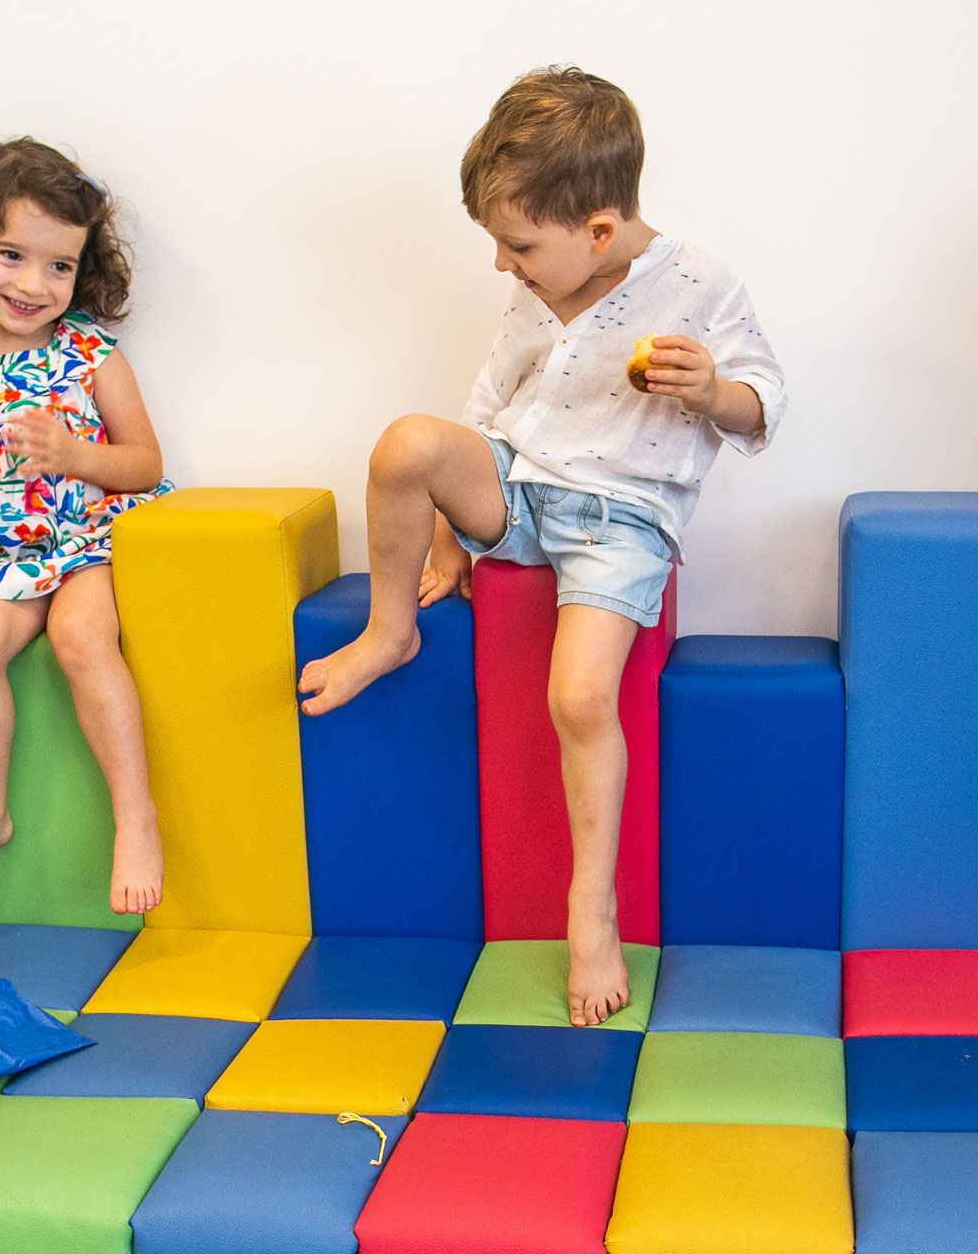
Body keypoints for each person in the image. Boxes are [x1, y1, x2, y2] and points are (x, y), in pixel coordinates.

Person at [298, 67, 787, 1025]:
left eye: (517, 245)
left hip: (624, 517)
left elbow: (764, 406)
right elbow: (482, 420)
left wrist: (710, 389)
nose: (501, 265)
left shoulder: (701, 284)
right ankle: (388, 632)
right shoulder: (532, 293)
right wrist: (448, 542)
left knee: (578, 695)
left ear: (598, 230)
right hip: (522, 490)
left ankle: (590, 908)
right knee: (407, 441)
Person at [0, 137, 172, 916]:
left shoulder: (87, 350)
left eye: (59, 265)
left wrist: (76, 453)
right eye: (12, 254)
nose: (33, 283)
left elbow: (145, 464)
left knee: (85, 640)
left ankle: (135, 816)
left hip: (86, 542)